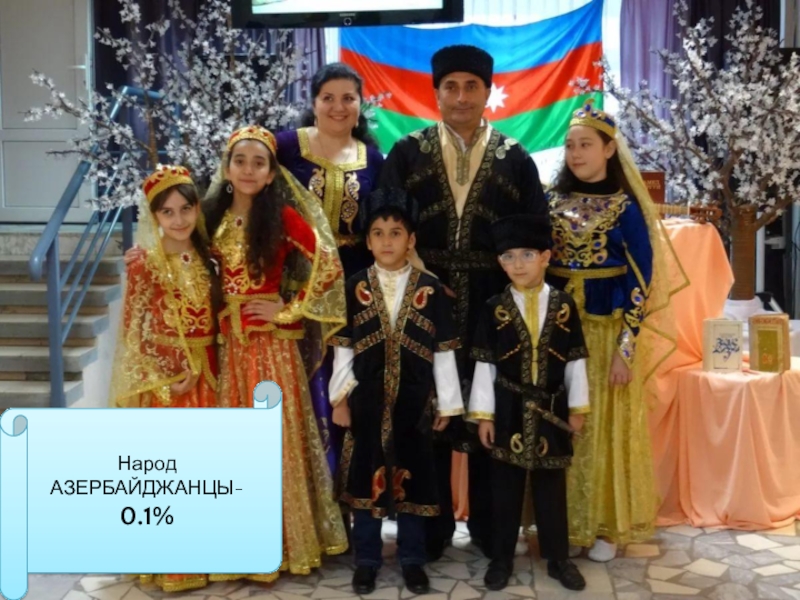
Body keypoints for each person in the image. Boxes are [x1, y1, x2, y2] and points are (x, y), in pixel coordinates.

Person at [379, 44, 549, 560]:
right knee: (426, 409)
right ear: (436, 93)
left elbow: (536, 229)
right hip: (422, 298)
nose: (460, 96)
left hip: (492, 304)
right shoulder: (407, 152)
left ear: (487, 92)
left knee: (486, 409)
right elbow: (385, 220)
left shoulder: (515, 158)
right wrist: (421, 277)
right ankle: (427, 531)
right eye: (450, 87)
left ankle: (491, 529)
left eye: (471, 86)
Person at [205, 125, 348, 581]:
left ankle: (287, 545)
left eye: (259, 163)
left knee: (274, 445)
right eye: (240, 161)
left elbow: (327, 265)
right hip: (226, 348)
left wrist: (288, 309)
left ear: (270, 174)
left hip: (270, 348)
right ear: (227, 168)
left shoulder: (283, 217)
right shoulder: (209, 216)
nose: (248, 170)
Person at [547, 100, 683, 561]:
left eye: (585, 144)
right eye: (570, 145)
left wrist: (626, 349)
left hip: (605, 333)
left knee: (601, 425)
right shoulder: (551, 201)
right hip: (558, 331)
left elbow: (641, 280)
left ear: (609, 150)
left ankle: (605, 526)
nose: (576, 153)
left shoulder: (626, 208)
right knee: (562, 420)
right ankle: (566, 521)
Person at [329, 187, 463, 595]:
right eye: (378, 233)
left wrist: (448, 403)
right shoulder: (353, 287)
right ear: (368, 242)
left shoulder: (431, 290)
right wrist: (340, 399)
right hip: (365, 403)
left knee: (414, 481)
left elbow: (443, 352)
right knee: (365, 481)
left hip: (414, 404)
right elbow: (343, 348)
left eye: (396, 233)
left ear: (411, 240)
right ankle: (367, 560)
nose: (387, 241)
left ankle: (412, 559)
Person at [276, 63, 385, 525]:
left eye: (348, 98)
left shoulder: (374, 159)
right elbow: (240, 183)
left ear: (360, 105)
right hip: (295, 285)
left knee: (347, 389)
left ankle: (344, 505)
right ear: (314, 102)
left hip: (354, 290)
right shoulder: (285, 146)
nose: (338, 107)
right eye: (328, 98)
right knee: (301, 388)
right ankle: (301, 509)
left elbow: (387, 224)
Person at [110, 164, 222, 592]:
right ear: (154, 216)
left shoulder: (211, 257)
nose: (178, 220)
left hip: (209, 377)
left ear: (197, 209)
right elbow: (132, 332)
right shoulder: (144, 264)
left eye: (185, 209)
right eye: (167, 212)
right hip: (169, 384)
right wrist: (159, 380)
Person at [467, 214, 588, 592]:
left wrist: (577, 408)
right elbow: (485, 364)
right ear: (500, 262)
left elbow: (576, 360)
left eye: (527, 255)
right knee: (505, 487)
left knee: (551, 486)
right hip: (508, 408)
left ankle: (558, 557)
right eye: (508, 257)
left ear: (546, 257)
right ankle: (501, 557)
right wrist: (484, 416)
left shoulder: (565, 306)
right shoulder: (494, 307)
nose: (517, 264)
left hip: (552, 409)